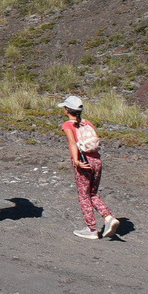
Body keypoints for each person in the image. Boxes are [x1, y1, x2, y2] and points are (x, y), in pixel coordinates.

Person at [60, 95, 120, 240]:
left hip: (84, 161)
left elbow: (72, 142)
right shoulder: (88, 123)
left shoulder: (67, 125)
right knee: (93, 193)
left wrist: (76, 161)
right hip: (96, 160)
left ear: (67, 110)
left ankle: (91, 229)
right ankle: (108, 217)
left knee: (83, 195)